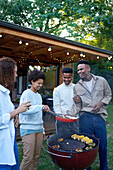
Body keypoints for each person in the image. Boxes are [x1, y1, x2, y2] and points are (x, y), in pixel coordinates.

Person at [73, 60, 112, 170]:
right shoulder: (77, 86)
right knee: (86, 145)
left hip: (99, 116)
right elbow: (77, 106)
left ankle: (104, 167)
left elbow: (108, 95)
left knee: (102, 145)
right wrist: (70, 112)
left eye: (81, 69)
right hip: (85, 117)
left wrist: (101, 103)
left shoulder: (102, 81)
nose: (79, 72)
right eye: (78, 70)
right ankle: (87, 167)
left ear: (88, 69)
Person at [0, 57, 31, 170]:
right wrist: (17, 111)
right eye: (15, 72)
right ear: (6, 73)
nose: (16, 75)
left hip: (10, 139)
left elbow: (6, 112)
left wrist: (15, 115)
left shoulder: (5, 93)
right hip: (2, 144)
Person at [19, 69, 50, 170]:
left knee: (36, 157)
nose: (40, 85)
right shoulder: (26, 93)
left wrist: (43, 130)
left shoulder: (38, 96)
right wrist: (40, 107)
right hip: (28, 130)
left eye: (41, 83)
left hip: (39, 130)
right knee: (28, 158)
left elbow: (38, 116)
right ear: (32, 81)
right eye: (38, 83)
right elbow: (24, 110)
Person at [53, 67, 79, 134]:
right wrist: (60, 115)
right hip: (62, 119)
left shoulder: (77, 88)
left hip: (75, 119)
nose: (66, 79)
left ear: (72, 77)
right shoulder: (57, 90)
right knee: (61, 139)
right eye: (65, 77)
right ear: (62, 77)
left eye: (68, 77)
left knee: (75, 138)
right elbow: (56, 105)